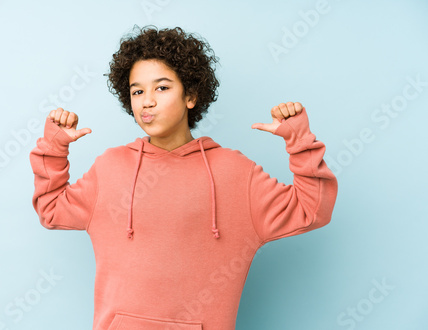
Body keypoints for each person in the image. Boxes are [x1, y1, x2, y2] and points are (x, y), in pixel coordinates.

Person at [29, 25, 338, 330]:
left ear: (190, 95)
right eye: (138, 91)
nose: (147, 101)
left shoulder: (235, 173)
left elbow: (312, 209)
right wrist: (55, 148)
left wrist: (299, 141)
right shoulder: (110, 168)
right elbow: (51, 209)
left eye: (161, 88)